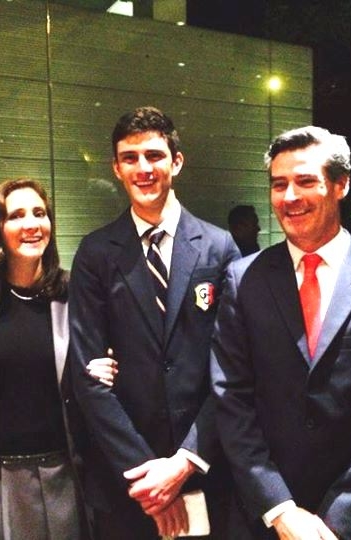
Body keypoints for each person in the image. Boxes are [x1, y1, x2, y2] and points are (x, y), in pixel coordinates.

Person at [211, 126, 351, 539]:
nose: (289, 196)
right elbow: (231, 399)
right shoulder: (243, 280)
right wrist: (280, 509)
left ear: (340, 184)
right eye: (279, 184)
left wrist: (337, 522)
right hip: (266, 520)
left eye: (305, 181)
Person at [68, 106, 241, 539]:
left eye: (154, 155)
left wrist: (184, 463)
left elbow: (234, 370)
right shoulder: (95, 253)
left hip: (205, 469)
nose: (143, 168)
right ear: (116, 168)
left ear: (176, 162)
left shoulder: (219, 248)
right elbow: (87, 376)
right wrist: (148, 479)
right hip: (126, 481)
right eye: (130, 158)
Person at [0, 178, 116, 539]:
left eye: (39, 213)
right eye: (16, 215)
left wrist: (106, 367)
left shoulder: (75, 292)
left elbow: (110, 351)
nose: (32, 224)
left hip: (66, 470)